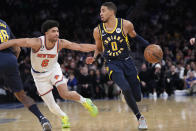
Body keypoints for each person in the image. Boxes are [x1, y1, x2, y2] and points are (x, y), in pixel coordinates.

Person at [0, 20, 98, 129]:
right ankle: (63, 117)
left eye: (57, 31)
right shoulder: (36, 42)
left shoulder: (60, 43)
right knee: (51, 107)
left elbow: (80, 47)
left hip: (53, 70)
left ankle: (85, 101)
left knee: (64, 93)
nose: (57, 33)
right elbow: (14, 42)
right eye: (53, 31)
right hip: (39, 76)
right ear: (46, 33)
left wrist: (98, 47)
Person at [86, 2, 149, 129]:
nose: (100, 13)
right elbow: (99, 47)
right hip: (111, 63)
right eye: (100, 11)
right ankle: (140, 117)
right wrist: (94, 57)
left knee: (137, 97)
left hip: (127, 61)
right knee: (125, 88)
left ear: (111, 11)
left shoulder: (126, 24)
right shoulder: (97, 30)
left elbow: (136, 37)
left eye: (103, 11)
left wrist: (149, 45)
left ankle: (126, 95)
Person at [0, 19, 52, 131]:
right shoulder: (3, 23)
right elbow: (17, 48)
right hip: (10, 60)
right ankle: (43, 119)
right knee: (21, 96)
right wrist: (11, 63)